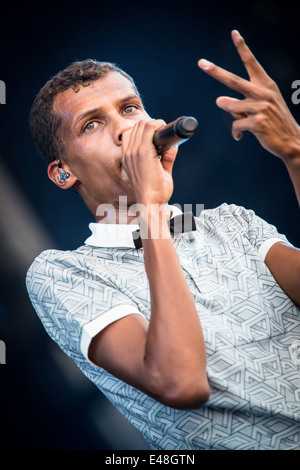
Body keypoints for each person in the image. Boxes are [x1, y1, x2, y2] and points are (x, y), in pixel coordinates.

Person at [26, 30, 300, 450]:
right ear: (64, 172)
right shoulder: (62, 273)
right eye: (93, 124)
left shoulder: (232, 224)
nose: (125, 131)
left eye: (130, 108)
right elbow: (181, 383)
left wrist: (296, 153)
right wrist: (149, 206)